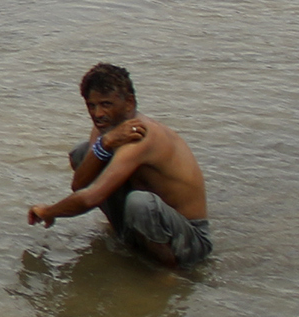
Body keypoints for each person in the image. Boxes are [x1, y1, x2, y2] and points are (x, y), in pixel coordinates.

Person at [28, 62, 213, 269]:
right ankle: (128, 238)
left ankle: (166, 270)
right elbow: (80, 184)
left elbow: (90, 198)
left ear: (129, 102)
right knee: (82, 154)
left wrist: (49, 211)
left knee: (139, 202)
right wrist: (105, 143)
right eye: (91, 105)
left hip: (190, 239)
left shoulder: (142, 135)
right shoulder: (105, 127)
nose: (97, 113)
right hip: (152, 221)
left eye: (106, 104)